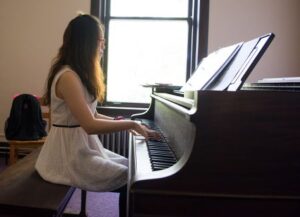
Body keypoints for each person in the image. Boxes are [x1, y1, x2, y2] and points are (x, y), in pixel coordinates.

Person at [35, 14, 160, 217]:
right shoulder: (67, 77)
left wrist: (130, 123)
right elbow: (90, 124)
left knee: (133, 169)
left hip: (82, 147)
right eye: (101, 41)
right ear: (87, 43)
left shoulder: (77, 74)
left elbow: (92, 113)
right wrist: (132, 125)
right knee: (131, 177)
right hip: (66, 156)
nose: (103, 46)